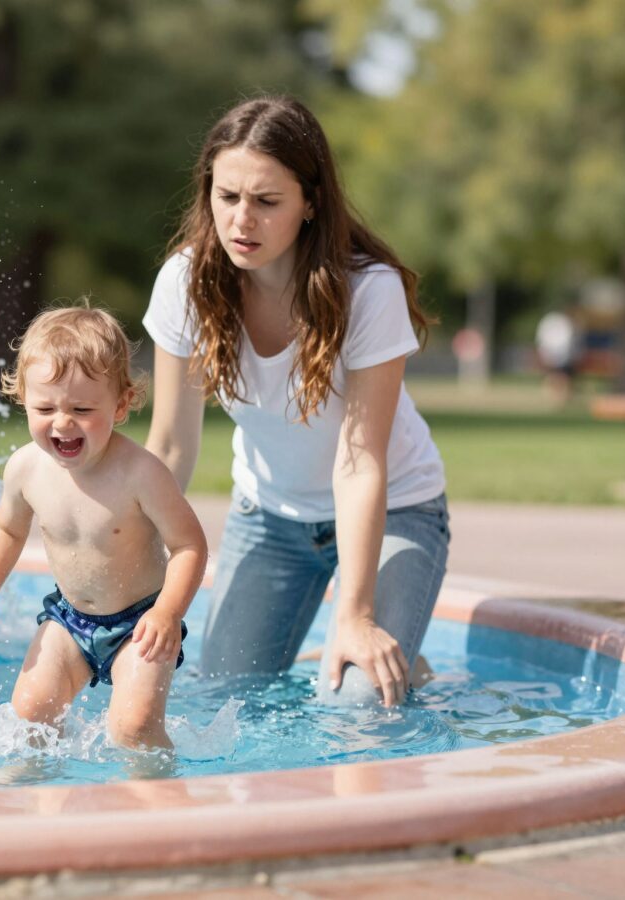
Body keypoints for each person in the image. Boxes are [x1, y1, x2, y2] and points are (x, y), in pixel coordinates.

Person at [143, 96, 449, 708]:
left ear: (311, 203)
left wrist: (357, 617)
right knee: (223, 698)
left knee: (359, 703)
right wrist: (136, 578)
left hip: (397, 514)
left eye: (266, 201)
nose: (240, 221)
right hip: (269, 518)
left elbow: (360, 461)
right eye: (226, 197)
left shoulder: (368, 290)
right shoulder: (185, 281)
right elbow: (171, 444)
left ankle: (395, 653)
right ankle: (370, 645)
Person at [0, 305, 208, 751]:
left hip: (140, 623)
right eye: (45, 407)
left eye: (82, 408)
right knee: (30, 718)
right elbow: (7, 529)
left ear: (122, 404)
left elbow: (189, 545)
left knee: (133, 727)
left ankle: (160, 807)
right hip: (69, 620)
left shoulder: (141, 474)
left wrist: (167, 612)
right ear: (23, 400)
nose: (63, 421)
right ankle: (38, 810)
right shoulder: (26, 468)